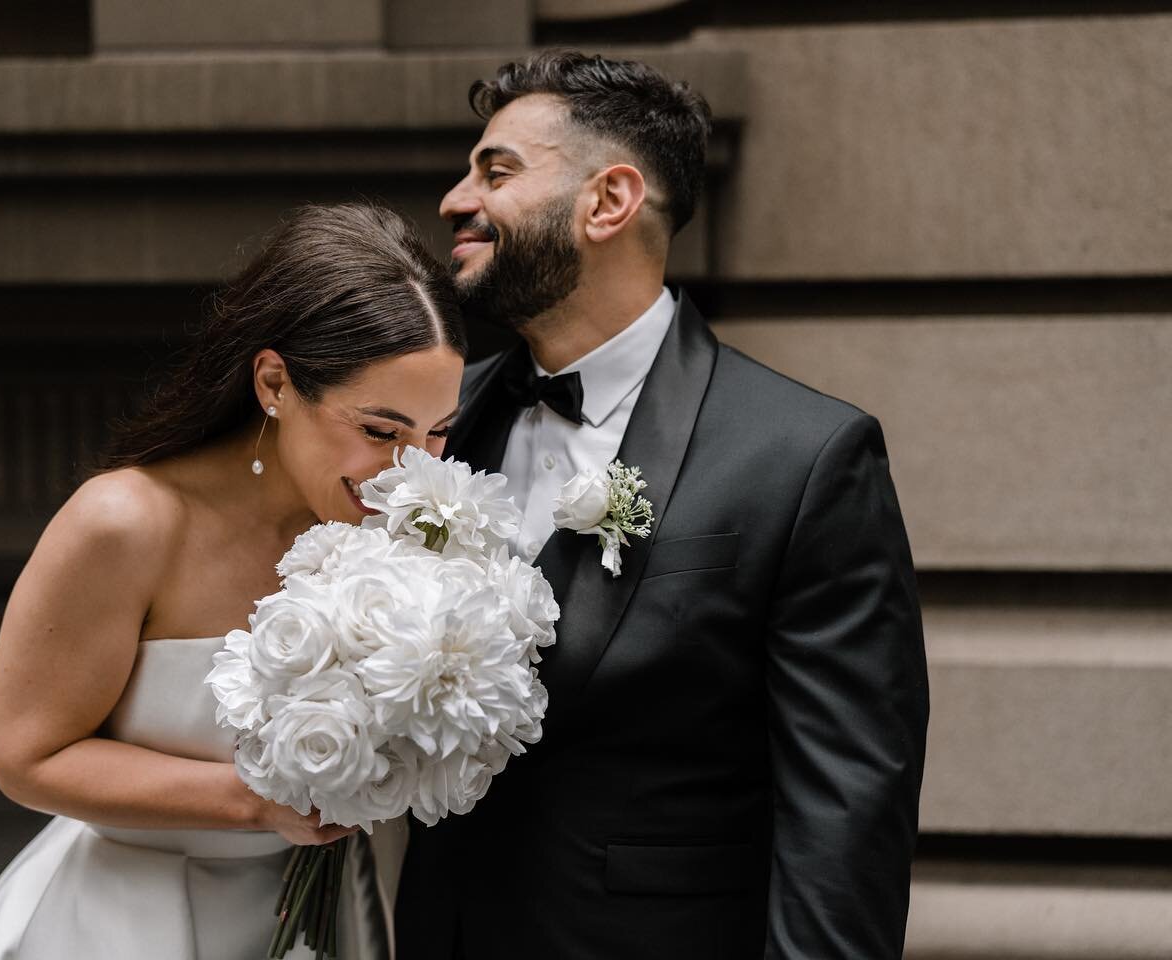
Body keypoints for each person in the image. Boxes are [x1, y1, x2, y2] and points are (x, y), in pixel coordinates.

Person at [394, 52, 930, 958]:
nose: (454, 200)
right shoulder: (432, 428)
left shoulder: (803, 459)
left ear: (608, 202)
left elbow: (844, 814)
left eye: (497, 171)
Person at [0, 203, 466, 960]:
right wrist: (255, 802)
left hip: (328, 918)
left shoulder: (401, 530)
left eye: (437, 432)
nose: (411, 470)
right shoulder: (125, 523)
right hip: (132, 920)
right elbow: (24, 756)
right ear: (274, 383)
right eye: (379, 431)